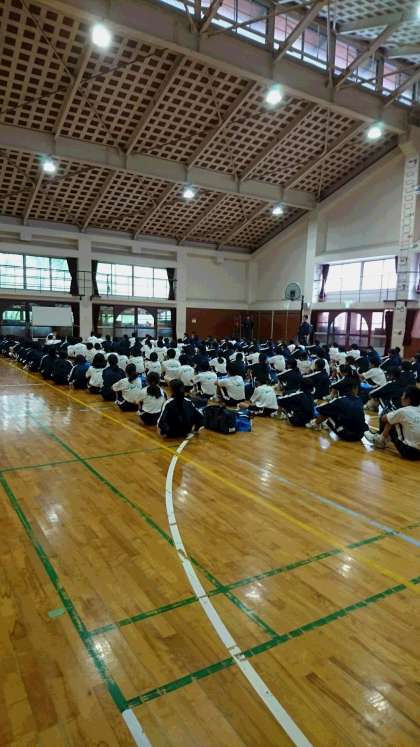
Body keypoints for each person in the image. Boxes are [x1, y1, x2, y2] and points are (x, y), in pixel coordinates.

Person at [365, 386, 420, 460]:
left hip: (409, 452)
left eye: (403, 395)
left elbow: (383, 419)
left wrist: (391, 414)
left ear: (408, 399)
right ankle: (383, 438)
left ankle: (380, 440)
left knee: (392, 419)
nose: (401, 398)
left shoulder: (403, 411)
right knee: (395, 418)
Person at [306, 375, 368, 441]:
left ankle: (314, 424)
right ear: (355, 388)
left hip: (348, 435)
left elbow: (322, 409)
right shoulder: (359, 400)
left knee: (328, 412)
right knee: (337, 411)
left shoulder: (340, 400)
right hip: (361, 435)